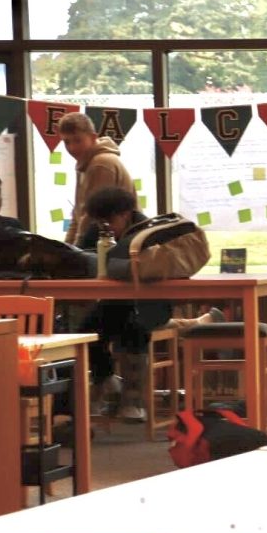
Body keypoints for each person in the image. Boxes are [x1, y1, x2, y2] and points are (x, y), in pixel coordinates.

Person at [80, 187, 221, 420]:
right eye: (100, 222)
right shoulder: (99, 230)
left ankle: (133, 398)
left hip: (148, 305)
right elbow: (84, 254)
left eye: (109, 221)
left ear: (125, 214)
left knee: (131, 327)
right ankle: (106, 379)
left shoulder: (150, 234)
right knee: (85, 329)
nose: (105, 227)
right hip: (115, 302)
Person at [59, 111, 135, 247]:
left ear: (93, 138)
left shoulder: (101, 163)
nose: (72, 147)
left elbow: (91, 216)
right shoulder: (84, 164)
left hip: (121, 242)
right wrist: (65, 248)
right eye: (66, 142)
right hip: (102, 238)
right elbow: (78, 214)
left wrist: (77, 250)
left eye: (78, 140)